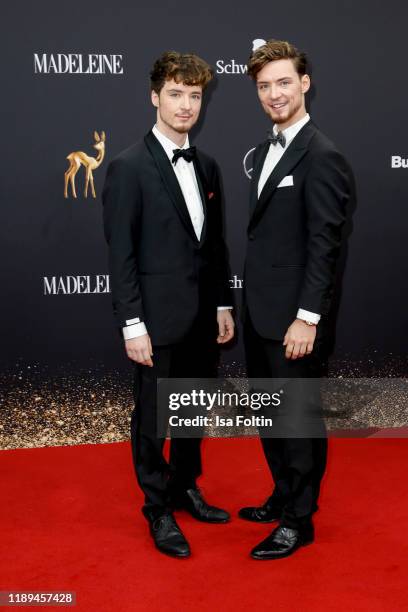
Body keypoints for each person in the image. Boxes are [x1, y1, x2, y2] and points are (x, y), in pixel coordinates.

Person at [102, 51, 234, 558]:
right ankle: (157, 507)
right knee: (155, 416)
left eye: (194, 96)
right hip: (155, 321)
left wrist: (223, 304)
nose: (185, 105)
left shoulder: (210, 166)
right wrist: (132, 324)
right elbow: (122, 254)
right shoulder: (128, 166)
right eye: (175, 94)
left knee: (194, 409)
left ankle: (185, 487)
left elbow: (214, 245)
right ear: (154, 97)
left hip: (204, 317)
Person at [240, 39, 354, 559]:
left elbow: (324, 247)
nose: (274, 94)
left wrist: (307, 318)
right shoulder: (266, 150)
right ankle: (284, 495)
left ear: (304, 84)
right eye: (264, 86)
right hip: (261, 315)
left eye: (284, 82)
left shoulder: (322, 156)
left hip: (295, 321)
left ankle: (298, 521)